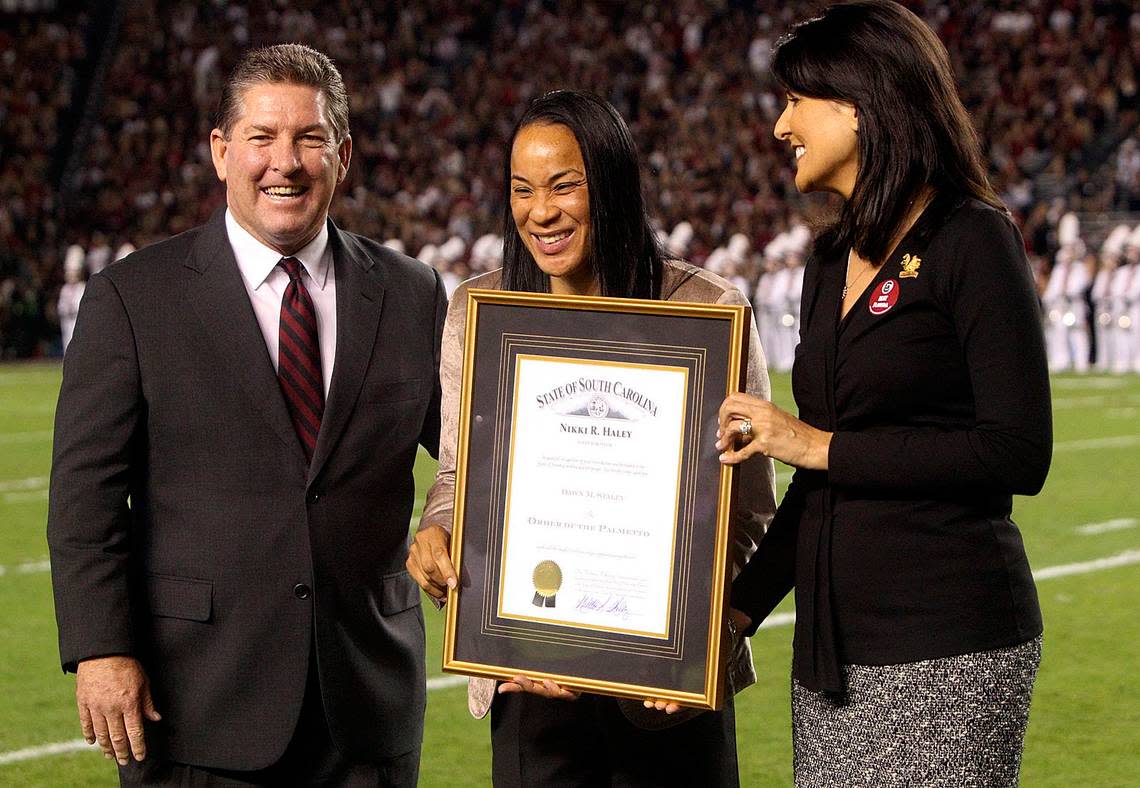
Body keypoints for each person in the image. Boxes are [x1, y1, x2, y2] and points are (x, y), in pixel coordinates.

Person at [47, 44, 444, 786]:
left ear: (344, 154)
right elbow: (84, 498)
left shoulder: (412, 292)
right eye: (262, 138)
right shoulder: (135, 298)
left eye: (309, 138)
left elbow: (473, 457)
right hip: (196, 706)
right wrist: (101, 649)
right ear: (222, 152)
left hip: (367, 706)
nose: (284, 163)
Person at [715, 2, 1052, 786]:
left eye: (797, 100)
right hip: (834, 655)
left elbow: (1017, 451)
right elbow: (818, 484)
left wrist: (819, 444)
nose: (779, 126)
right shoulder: (829, 260)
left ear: (860, 104)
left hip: (948, 642)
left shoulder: (973, 237)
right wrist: (735, 615)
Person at [406, 89, 776, 787]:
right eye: (521, 190)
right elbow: (459, 477)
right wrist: (436, 535)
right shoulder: (477, 314)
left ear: (609, 182)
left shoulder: (706, 309)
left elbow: (751, 511)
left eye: (562, 185)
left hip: (666, 698)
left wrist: (697, 632)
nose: (539, 211)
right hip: (528, 682)